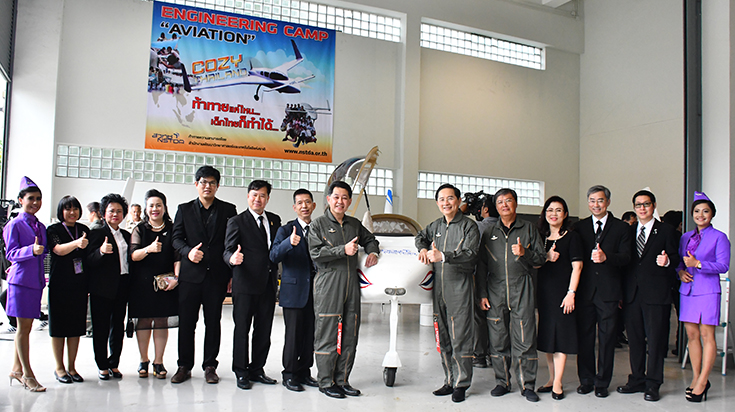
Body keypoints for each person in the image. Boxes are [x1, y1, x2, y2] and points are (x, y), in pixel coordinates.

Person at [308, 181, 380, 399]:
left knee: (350, 333)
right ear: (329, 199)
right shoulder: (318, 225)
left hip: (351, 285)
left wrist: (373, 252)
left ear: (349, 201)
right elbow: (315, 253)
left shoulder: (354, 224)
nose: (340, 201)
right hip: (328, 283)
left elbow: (371, 239)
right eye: (336, 197)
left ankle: (342, 380)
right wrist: (343, 250)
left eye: (345, 198)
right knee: (327, 333)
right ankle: (325, 381)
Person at [477, 188, 545, 402]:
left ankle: (527, 384)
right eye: (500, 202)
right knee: (498, 339)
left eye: (508, 201)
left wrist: (525, 253)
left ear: (516, 203)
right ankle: (502, 382)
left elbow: (540, 259)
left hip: (521, 287)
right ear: (496, 207)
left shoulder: (529, 228)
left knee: (525, 338)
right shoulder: (489, 231)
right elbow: (481, 265)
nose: (504, 205)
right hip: (495, 289)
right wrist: (482, 293)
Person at [170, 166, 237, 384]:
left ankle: (210, 366)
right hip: (190, 277)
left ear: (217, 186)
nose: (207, 186)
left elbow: (232, 242)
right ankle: (184, 366)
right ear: (196, 184)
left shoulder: (229, 210)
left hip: (216, 277)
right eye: (203, 182)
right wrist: (188, 252)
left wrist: (231, 274)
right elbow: (176, 239)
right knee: (187, 323)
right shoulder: (184, 209)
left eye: (212, 182)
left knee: (213, 323)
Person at [416, 184, 480, 403]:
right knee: (443, 336)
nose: (446, 203)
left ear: (458, 200)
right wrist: (423, 249)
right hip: (439, 289)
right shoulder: (436, 226)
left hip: (460, 287)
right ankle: (449, 380)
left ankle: (462, 383)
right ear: (437, 203)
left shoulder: (469, 226)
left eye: (450, 198)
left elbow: (471, 254)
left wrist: (443, 256)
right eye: (442, 199)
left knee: (460, 337)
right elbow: (420, 237)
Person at [617, 190, 679, 402]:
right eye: (638, 205)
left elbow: (676, 257)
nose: (642, 208)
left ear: (653, 206)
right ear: (634, 208)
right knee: (635, 340)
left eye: (646, 204)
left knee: (656, 341)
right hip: (632, 295)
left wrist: (668, 261)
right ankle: (636, 379)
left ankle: (653, 384)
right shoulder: (628, 231)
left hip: (656, 294)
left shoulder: (666, 230)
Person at [573, 185, 632, 398]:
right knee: (585, 338)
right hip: (585, 291)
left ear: (607, 202)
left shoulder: (621, 228)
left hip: (609, 292)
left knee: (607, 339)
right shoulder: (579, 227)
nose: (595, 204)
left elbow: (627, 257)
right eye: (592, 200)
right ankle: (586, 380)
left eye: (600, 200)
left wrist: (607, 257)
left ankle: (602, 382)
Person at [223, 180, 281, 390]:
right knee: (242, 329)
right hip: (245, 285)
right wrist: (232, 259)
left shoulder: (274, 220)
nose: (258, 199)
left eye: (262, 195)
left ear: (268, 198)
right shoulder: (236, 221)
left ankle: (257, 369)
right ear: (248, 196)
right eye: (254, 195)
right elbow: (227, 250)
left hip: (268, 285)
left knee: (263, 330)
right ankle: (241, 371)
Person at [677, 192, 730, 402]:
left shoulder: (719, 237)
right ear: (692, 214)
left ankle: (703, 381)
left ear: (712, 214)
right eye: (697, 211)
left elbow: (723, 266)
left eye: (705, 211)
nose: (701, 215)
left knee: (707, 335)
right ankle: (696, 377)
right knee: (692, 335)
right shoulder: (685, 237)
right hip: (688, 290)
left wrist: (698, 264)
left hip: (708, 290)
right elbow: (679, 262)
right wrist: (680, 272)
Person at [269, 188, 319, 392]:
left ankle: (305, 372)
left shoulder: (318, 229)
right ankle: (289, 374)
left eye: (307, 202)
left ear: (313, 206)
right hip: (293, 292)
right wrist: (288, 243)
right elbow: (274, 256)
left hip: (315, 292)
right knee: (293, 336)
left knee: (309, 335)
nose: (304, 206)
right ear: (294, 207)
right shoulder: (285, 230)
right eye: (300, 203)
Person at [535, 196, 582, 401]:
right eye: (550, 210)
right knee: (548, 336)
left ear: (565, 214)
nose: (553, 214)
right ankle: (551, 378)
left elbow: (577, 267)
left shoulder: (572, 237)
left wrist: (571, 293)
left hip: (564, 294)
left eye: (558, 210)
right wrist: (546, 257)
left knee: (561, 337)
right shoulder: (541, 237)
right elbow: (535, 263)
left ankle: (558, 383)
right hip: (545, 293)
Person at [129, 190, 180, 379]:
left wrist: (176, 278)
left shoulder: (173, 229)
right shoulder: (140, 229)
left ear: (164, 207)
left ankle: (159, 361)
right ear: (146, 209)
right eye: (151, 205)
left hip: (165, 284)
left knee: (161, 321)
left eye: (158, 205)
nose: (155, 209)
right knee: (143, 321)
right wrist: (149, 249)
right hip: (142, 284)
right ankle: (143, 360)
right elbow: (133, 255)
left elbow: (178, 257)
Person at [3, 176, 48, 392]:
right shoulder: (14, 224)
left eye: (38, 198)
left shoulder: (40, 226)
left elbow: (44, 252)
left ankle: (16, 369)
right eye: (31, 198)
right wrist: (31, 250)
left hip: (35, 282)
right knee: (22, 329)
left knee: (26, 328)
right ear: (21, 200)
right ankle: (28, 374)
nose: (35, 202)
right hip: (20, 283)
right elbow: (10, 253)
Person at [86, 193, 131, 380]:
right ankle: (102, 364)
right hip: (102, 288)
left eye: (119, 211)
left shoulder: (126, 235)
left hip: (122, 285)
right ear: (103, 213)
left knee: (118, 327)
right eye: (111, 211)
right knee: (101, 327)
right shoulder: (97, 233)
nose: (115, 214)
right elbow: (88, 260)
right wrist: (101, 252)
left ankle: (114, 363)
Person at [47, 195, 90, 384]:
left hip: (79, 285)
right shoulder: (53, 229)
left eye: (75, 208)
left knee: (75, 328)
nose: (72, 212)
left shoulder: (84, 229)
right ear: (61, 211)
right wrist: (76, 243)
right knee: (58, 328)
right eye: (68, 209)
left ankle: (72, 367)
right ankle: (59, 368)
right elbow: (58, 250)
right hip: (59, 285)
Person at [473, 195, 498, 368]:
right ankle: (495, 355)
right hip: (499, 280)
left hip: (479, 277)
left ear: (485, 209)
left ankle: (479, 355)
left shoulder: (478, 227)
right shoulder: (503, 227)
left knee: (478, 318)